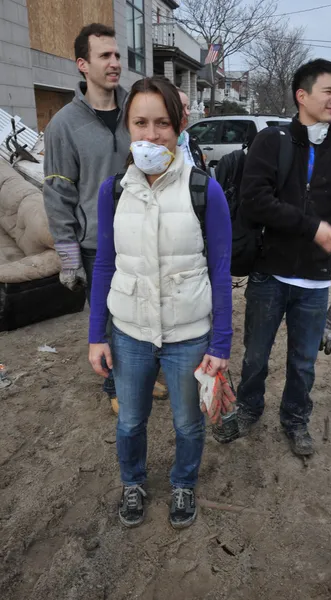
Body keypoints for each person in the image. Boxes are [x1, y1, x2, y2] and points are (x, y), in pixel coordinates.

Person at [88, 77, 233, 528]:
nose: (151, 136)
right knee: (130, 421)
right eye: (141, 123)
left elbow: (221, 273)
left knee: (188, 425)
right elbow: (105, 266)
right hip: (130, 333)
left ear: (180, 125)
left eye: (163, 124)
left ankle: (183, 484)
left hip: (189, 336)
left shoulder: (203, 191)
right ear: (127, 127)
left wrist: (221, 345)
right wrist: (97, 336)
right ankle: (133, 482)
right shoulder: (113, 192)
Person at [236, 59, 331, 456]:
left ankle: (295, 419)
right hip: (269, 274)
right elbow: (254, 201)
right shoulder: (271, 142)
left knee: (304, 364)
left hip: (314, 282)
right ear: (301, 95)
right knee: (255, 357)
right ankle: (248, 408)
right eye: (329, 91)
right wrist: (311, 227)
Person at [43, 23, 167, 411]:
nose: (115, 63)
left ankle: (143, 380)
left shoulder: (137, 110)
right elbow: (58, 192)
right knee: (112, 323)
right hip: (98, 245)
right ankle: (116, 388)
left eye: (117, 55)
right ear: (82, 64)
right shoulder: (65, 124)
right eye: (105, 56)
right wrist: (67, 253)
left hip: (147, 234)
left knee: (148, 312)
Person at [177, 89, 206, 170]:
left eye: (188, 107)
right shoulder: (158, 146)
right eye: (181, 107)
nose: (188, 112)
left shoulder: (191, 143)